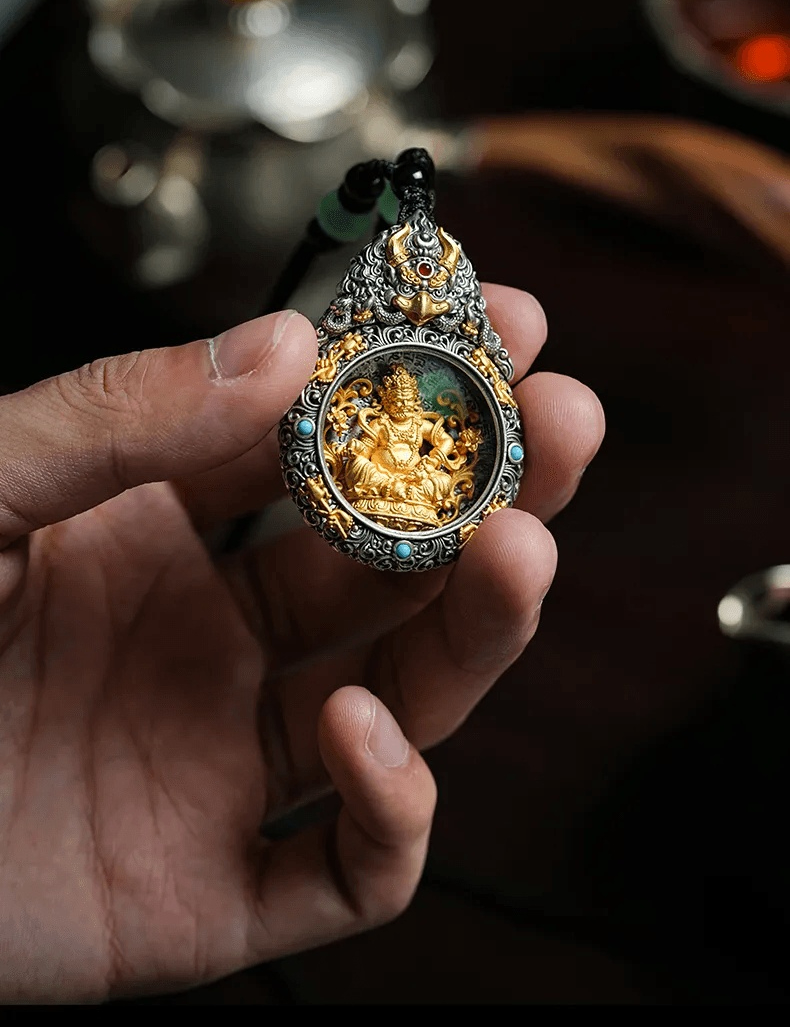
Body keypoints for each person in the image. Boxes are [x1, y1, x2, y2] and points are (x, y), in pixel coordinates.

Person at [0, 286, 604, 1003]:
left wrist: (431, 453)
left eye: (408, 398)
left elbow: (439, 454)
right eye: (395, 396)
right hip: (369, 487)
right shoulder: (367, 419)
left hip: (413, 494)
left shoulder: (428, 423)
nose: (402, 405)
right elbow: (366, 454)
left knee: (487, 535)